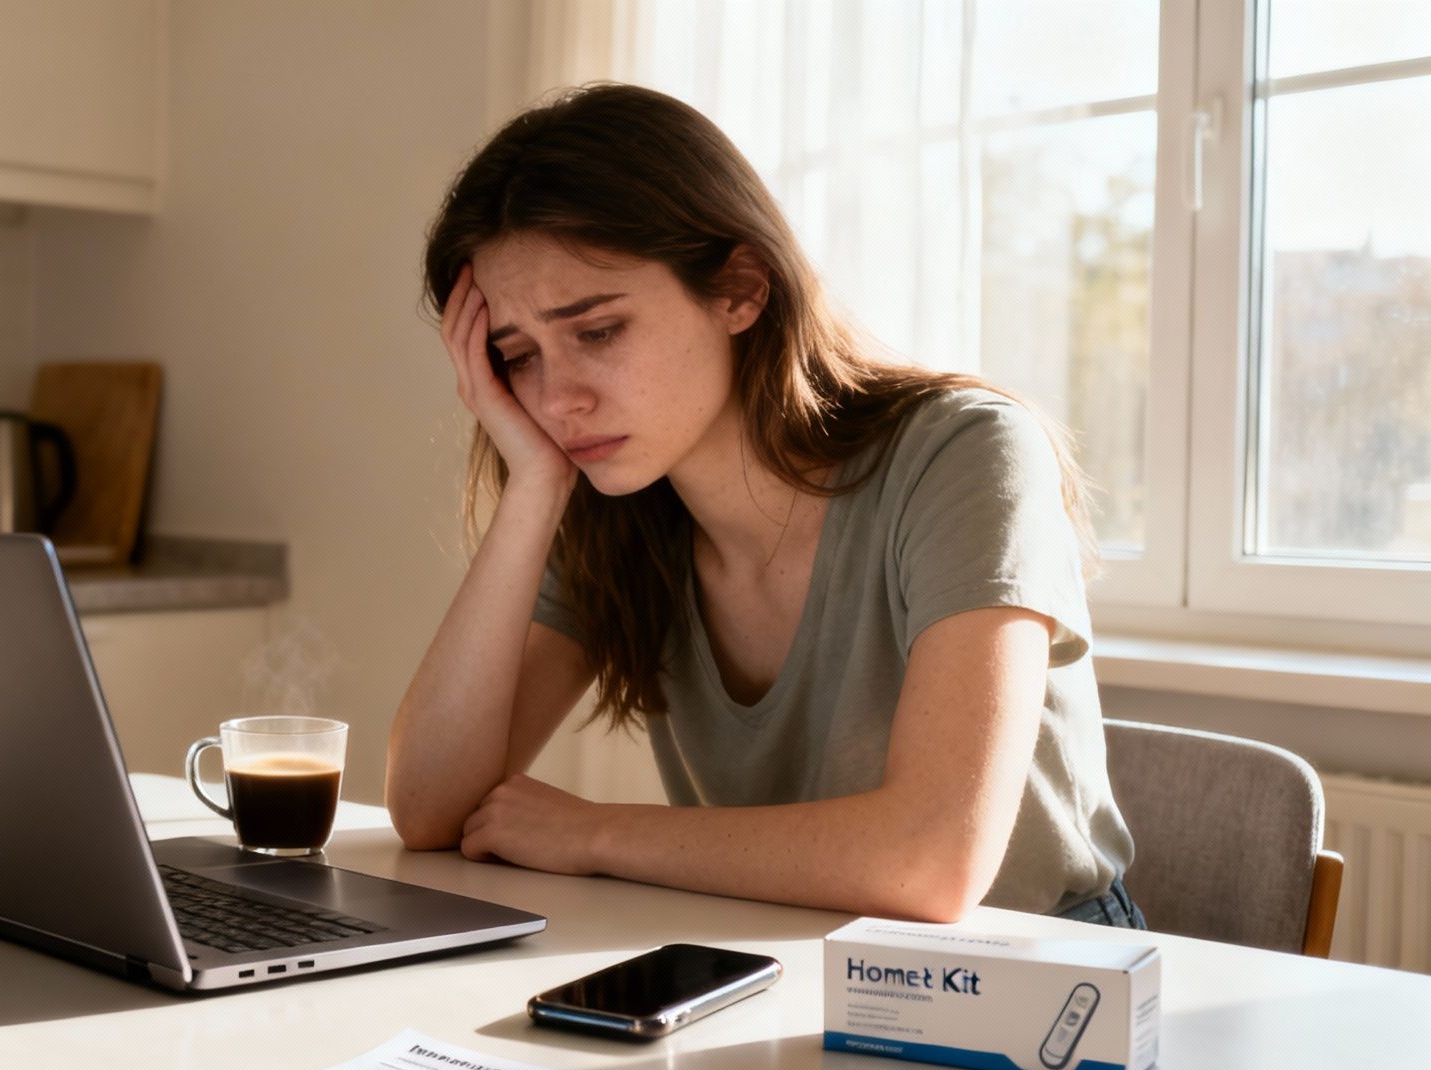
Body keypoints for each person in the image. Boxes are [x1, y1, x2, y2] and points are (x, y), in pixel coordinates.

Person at [385, 83, 1141, 927]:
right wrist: (533, 485)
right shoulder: (616, 504)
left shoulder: (964, 454)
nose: (557, 401)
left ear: (740, 287)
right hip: (786, 955)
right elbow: (428, 811)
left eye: (597, 332)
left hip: (1038, 980)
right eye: (516, 356)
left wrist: (597, 834)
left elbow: (932, 864)